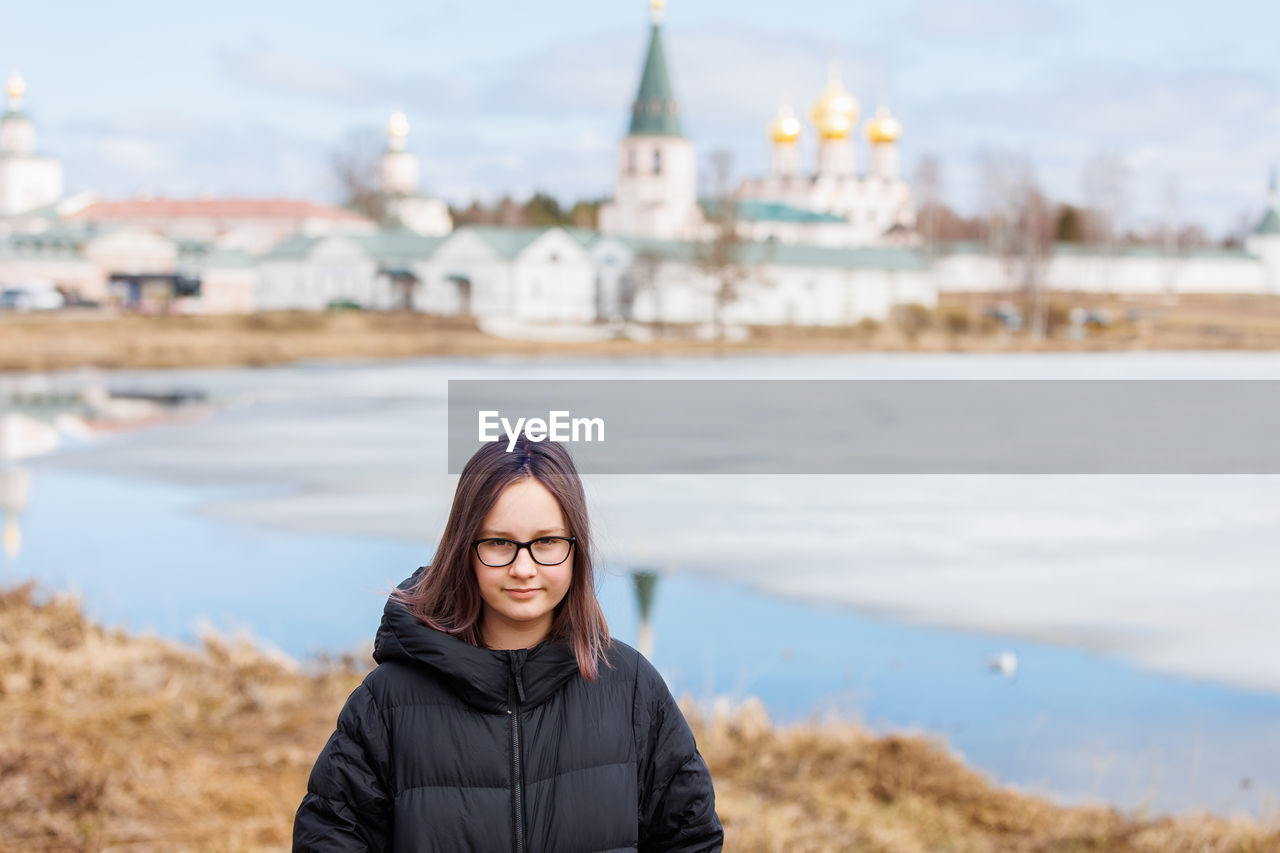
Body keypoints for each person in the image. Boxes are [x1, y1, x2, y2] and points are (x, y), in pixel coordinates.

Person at [294, 436, 723, 852]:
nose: (523, 567)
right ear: (464, 548)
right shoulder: (387, 703)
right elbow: (329, 837)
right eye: (499, 542)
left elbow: (690, 838)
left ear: (577, 550)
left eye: (547, 542)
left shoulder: (631, 689)